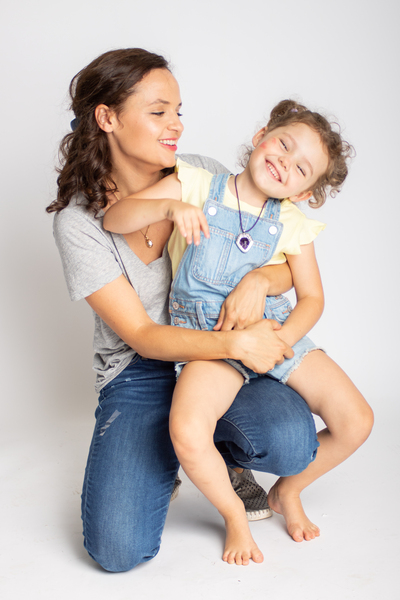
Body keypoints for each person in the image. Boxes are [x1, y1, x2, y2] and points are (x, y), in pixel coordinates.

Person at [47, 48, 320, 573]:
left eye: (179, 110)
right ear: (107, 117)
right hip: (141, 372)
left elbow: (287, 265)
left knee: (293, 443)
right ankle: (175, 455)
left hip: (219, 359)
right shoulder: (79, 224)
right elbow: (145, 335)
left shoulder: (207, 177)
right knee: (117, 551)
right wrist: (235, 342)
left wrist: (261, 278)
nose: (177, 124)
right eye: (159, 111)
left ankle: (220, 453)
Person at [103, 99, 374, 565]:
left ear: (307, 191)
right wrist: (167, 205)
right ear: (261, 133)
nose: (285, 162)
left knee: (357, 422)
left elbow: (312, 298)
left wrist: (282, 341)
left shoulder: (292, 222)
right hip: (208, 343)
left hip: (272, 332)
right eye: (284, 144)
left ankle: (288, 491)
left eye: (301, 168)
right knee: (187, 430)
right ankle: (232, 513)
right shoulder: (194, 182)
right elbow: (114, 219)